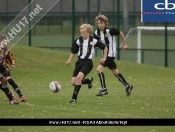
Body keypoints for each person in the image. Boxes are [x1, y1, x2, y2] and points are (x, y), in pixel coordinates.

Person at [66, 24, 107, 104]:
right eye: (81, 33)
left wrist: (104, 58)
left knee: (78, 78)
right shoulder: (78, 41)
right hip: (79, 63)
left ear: (88, 32)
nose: (82, 34)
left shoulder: (93, 41)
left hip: (88, 63)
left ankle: (74, 99)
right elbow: (73, 51)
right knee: (73, 82)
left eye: (84, 33)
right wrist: (69, 60)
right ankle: (88, 81)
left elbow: (105, 47)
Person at [93, 14, 133, 97]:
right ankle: (127, 85)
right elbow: (94, 42)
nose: (100, 25)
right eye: (98, 23)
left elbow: (120, 33)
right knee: (115, 72)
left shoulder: (110, 31)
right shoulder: (96, 33)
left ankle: (104, 89)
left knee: (99, 69)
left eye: (101, 23)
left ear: (105, 23)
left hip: (111, 54)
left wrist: (124, 44)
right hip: (105, 54)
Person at [0, 34, 25, 102]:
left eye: (6, 41)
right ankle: (11, 96)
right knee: (1, 83)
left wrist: (12, 64)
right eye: (4, 41)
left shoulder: (6, 51)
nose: (5, 43)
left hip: (5, 68)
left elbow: (11, 58)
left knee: (10, 80)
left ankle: (21, 95)